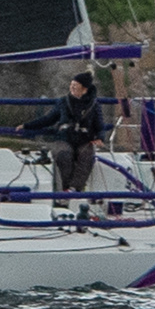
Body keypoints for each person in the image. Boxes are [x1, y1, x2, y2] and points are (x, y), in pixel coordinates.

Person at [45, 73, 107, 209]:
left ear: (84, 88)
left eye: (75, 85)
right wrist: (27, 126)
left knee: (86, 155)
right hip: (64, 138)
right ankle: (67, 189)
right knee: (64, 154)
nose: (72, 87)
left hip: (84, 139)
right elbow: (49, 119)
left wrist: (100, 137)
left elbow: (99, 125)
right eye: (71, 85)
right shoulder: (63, 102)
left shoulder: (94, 105)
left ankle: (74, 189)